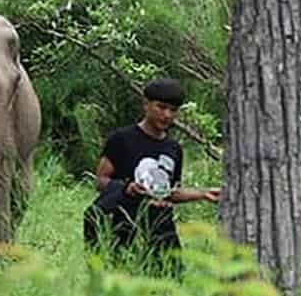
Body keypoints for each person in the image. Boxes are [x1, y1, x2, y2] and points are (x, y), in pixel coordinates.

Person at [83, 78, 221, 271]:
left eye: (173, 110)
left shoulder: (173, 149)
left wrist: (204, 194)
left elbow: (169, 192)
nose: (166, 115)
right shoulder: (121, 139)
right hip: (121, 222)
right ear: (146, 105)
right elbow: (100, 180)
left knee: (171, 279)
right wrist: (127, 188)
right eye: (161, 107)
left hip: (158, 225)